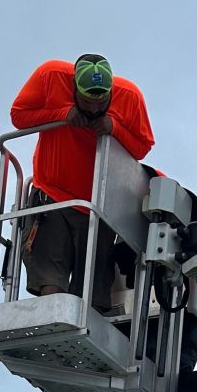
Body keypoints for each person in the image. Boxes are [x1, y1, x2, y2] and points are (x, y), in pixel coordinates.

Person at [10, 53, 154, 310]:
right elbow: (18, 115)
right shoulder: (51, 75)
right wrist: (63, 113)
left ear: (111, 92)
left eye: (101, 103)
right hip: (51, 198)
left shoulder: (130, 96)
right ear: (74, 87)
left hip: (98, 207)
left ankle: (84, 329)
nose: (93, 109)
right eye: (87, 101)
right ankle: (51, 323)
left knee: (91, 290)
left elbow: (142, 147)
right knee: (50, 281)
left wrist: (114, 127)